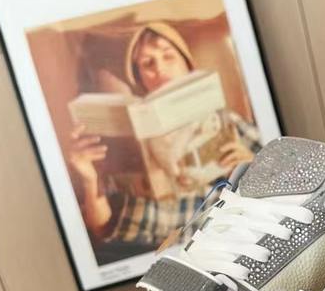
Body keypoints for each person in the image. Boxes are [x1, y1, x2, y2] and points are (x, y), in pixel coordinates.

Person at [64, 22, 260, 250]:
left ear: (187, 65)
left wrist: (253, 166)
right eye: (147, 63)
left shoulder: (225, 120)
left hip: (231, 238)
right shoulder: (125, 139)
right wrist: (89, 180)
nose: (159, 68)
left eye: (168, 56)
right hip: (159, 247)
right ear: (140, 79)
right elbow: (101, 226)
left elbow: (285, 177)